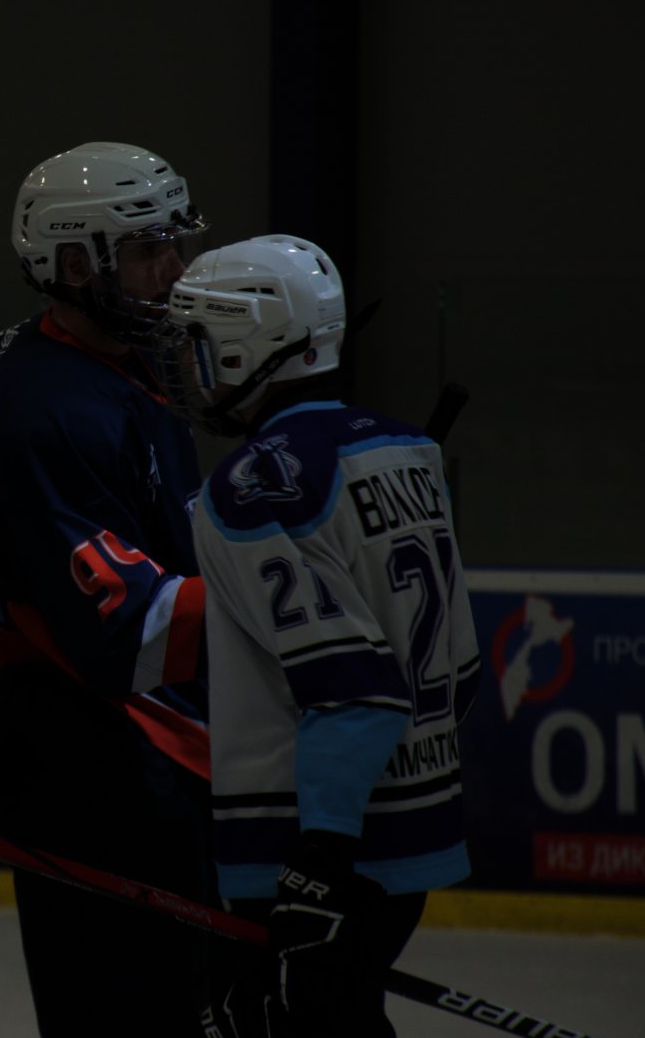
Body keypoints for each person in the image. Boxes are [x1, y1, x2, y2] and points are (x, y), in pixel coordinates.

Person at [162, 234, 481, 1038]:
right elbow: (464, 671)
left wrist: (319, 863)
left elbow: (355, 689)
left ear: (246, 345)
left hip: (306, 851)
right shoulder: (410, 450)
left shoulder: (248, 486)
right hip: (410, 836)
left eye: (200, 343)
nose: (189, 365)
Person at [0, 142, 217, 1037]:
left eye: (175, 243)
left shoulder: (105, 361)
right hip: (94, 748)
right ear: (73, 264)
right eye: (148, 250)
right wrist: (274, 598)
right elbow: (125, 633)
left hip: (116, 734)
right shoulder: (45, 407)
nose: (174, 271)